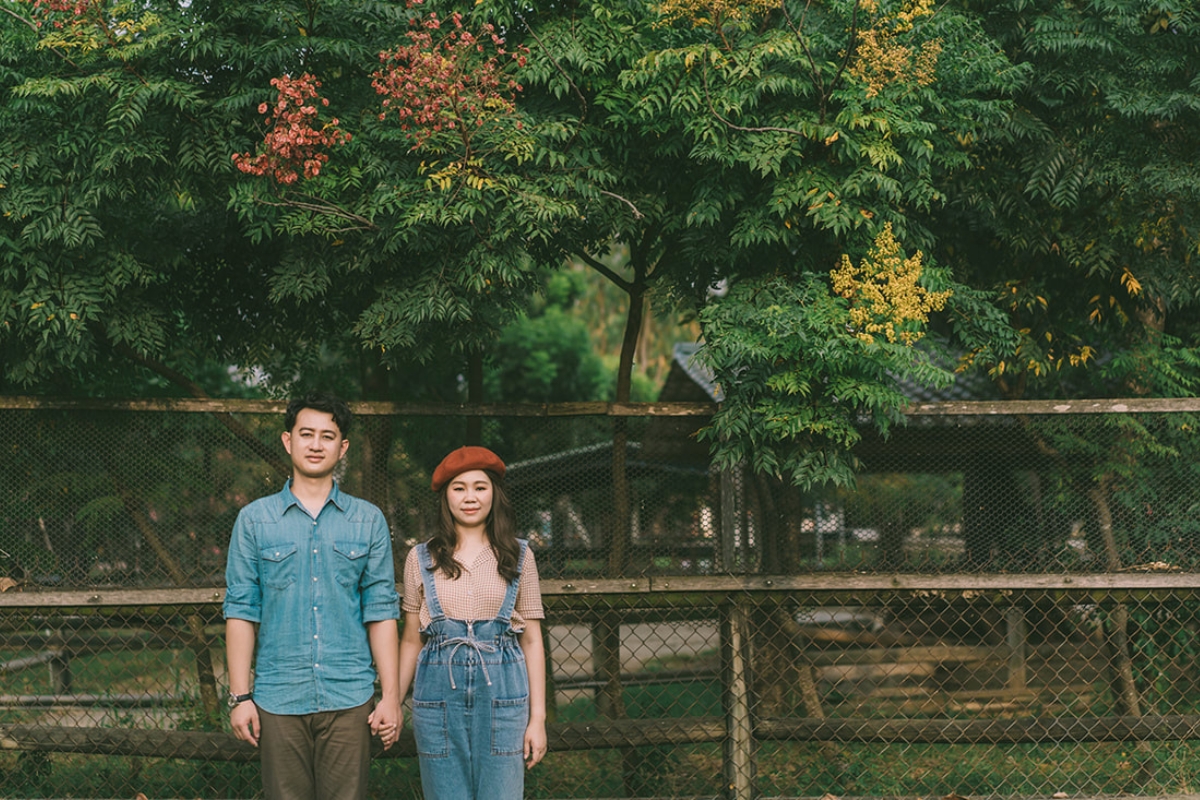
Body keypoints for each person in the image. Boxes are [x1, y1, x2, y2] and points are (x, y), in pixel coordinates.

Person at [223, 392, 401, 800]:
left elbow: (380, 611)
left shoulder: (368, 519)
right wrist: (240, 697)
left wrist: (390, 698)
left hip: (350, 696)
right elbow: (241, 611)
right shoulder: (254, 520)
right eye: (307, 434)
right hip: (278, 697)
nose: (316, 444)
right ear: (288, 441)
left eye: (327, 436)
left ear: (343, 448)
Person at [397, 445, 548, 799]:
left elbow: (533, 641)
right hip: (437, 692)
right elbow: (410, 640)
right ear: (445, 496)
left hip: (503, 693)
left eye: (480, 487)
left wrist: (537, 719)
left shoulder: (520, 555)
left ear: (494, 494)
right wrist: (392, 699)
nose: (470, 497)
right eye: (459, 487)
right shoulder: (420, 558)